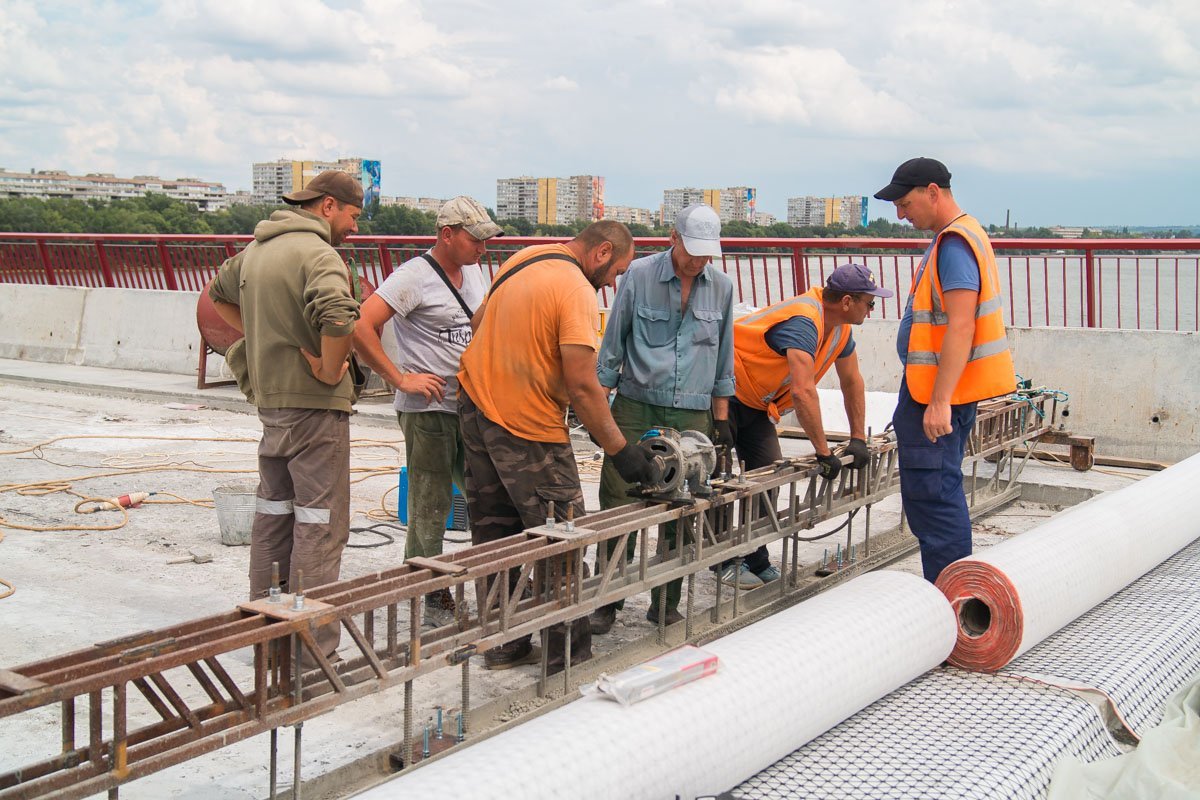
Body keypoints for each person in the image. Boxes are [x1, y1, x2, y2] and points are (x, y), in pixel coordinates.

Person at [457, 220, 661, 672]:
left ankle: (503, 646)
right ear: (602, 252)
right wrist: (622, 452)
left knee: (495, 533)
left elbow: (478, 322)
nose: (612, 283)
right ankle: (567, 658)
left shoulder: (526, 257)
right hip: (527, 425)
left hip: (475, 407)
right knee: (563, 538)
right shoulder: (575, 289)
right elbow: (584, 385)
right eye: (616, 271)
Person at [206, 169, 364, 665]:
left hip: (271, 401)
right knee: (320, 521)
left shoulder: (255, 251)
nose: (356, 229)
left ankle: (266, 635)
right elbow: (340, 316)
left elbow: (217, 297)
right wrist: (331, 364)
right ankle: (311, 652)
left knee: (273, 512)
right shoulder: (319, 255)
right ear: (328, 206)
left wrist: (259, 337)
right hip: (315, 408)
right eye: (354, 216)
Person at [351, 196, 502, 628]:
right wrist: (399, 378)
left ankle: (482, 576)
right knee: (429, 501)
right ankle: (425, 589)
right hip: (429, 409)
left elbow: (476, 323)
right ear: (447, 235)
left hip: (468, 401)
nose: (482, 249)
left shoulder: (472, 270)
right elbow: (362, 322)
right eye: (476, 239)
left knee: (481, 491)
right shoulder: (413, 276)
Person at [588, 204, 734, 634]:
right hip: (636, 404)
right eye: (692, 251)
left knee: (682, 505)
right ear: (673, 238)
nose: (699, 261)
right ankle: (607, 600)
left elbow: (723, 360)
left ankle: (665, 601)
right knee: (620, 501)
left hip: (692, 411)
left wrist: (721, 423)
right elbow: (613, 344)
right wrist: (600, 411)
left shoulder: (722, 288)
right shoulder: (638, 275)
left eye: (707, 254)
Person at [874, 157, 1016, 582]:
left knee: (934, 500)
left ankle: (952, 605)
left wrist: (938, 402)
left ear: (933, 192)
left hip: (934, 397)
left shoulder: (954, 244)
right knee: (936, 495)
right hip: (938, 392)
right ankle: (954, 597)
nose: (900, 213)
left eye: (905, 202)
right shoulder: (962, 236)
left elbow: (961, 324)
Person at [725, 263, 892, 586]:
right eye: (869, 303)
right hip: (723, 394)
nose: (871, 310)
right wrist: (823, 452)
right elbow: (803, 392)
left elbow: (852, 381)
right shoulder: (803, 322)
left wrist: (858, 437)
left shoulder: (840, 329)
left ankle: (755, 557)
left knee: (767, 475)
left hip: (756, 401)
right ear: (846, 301)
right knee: (718, 483)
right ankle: (722, 564)